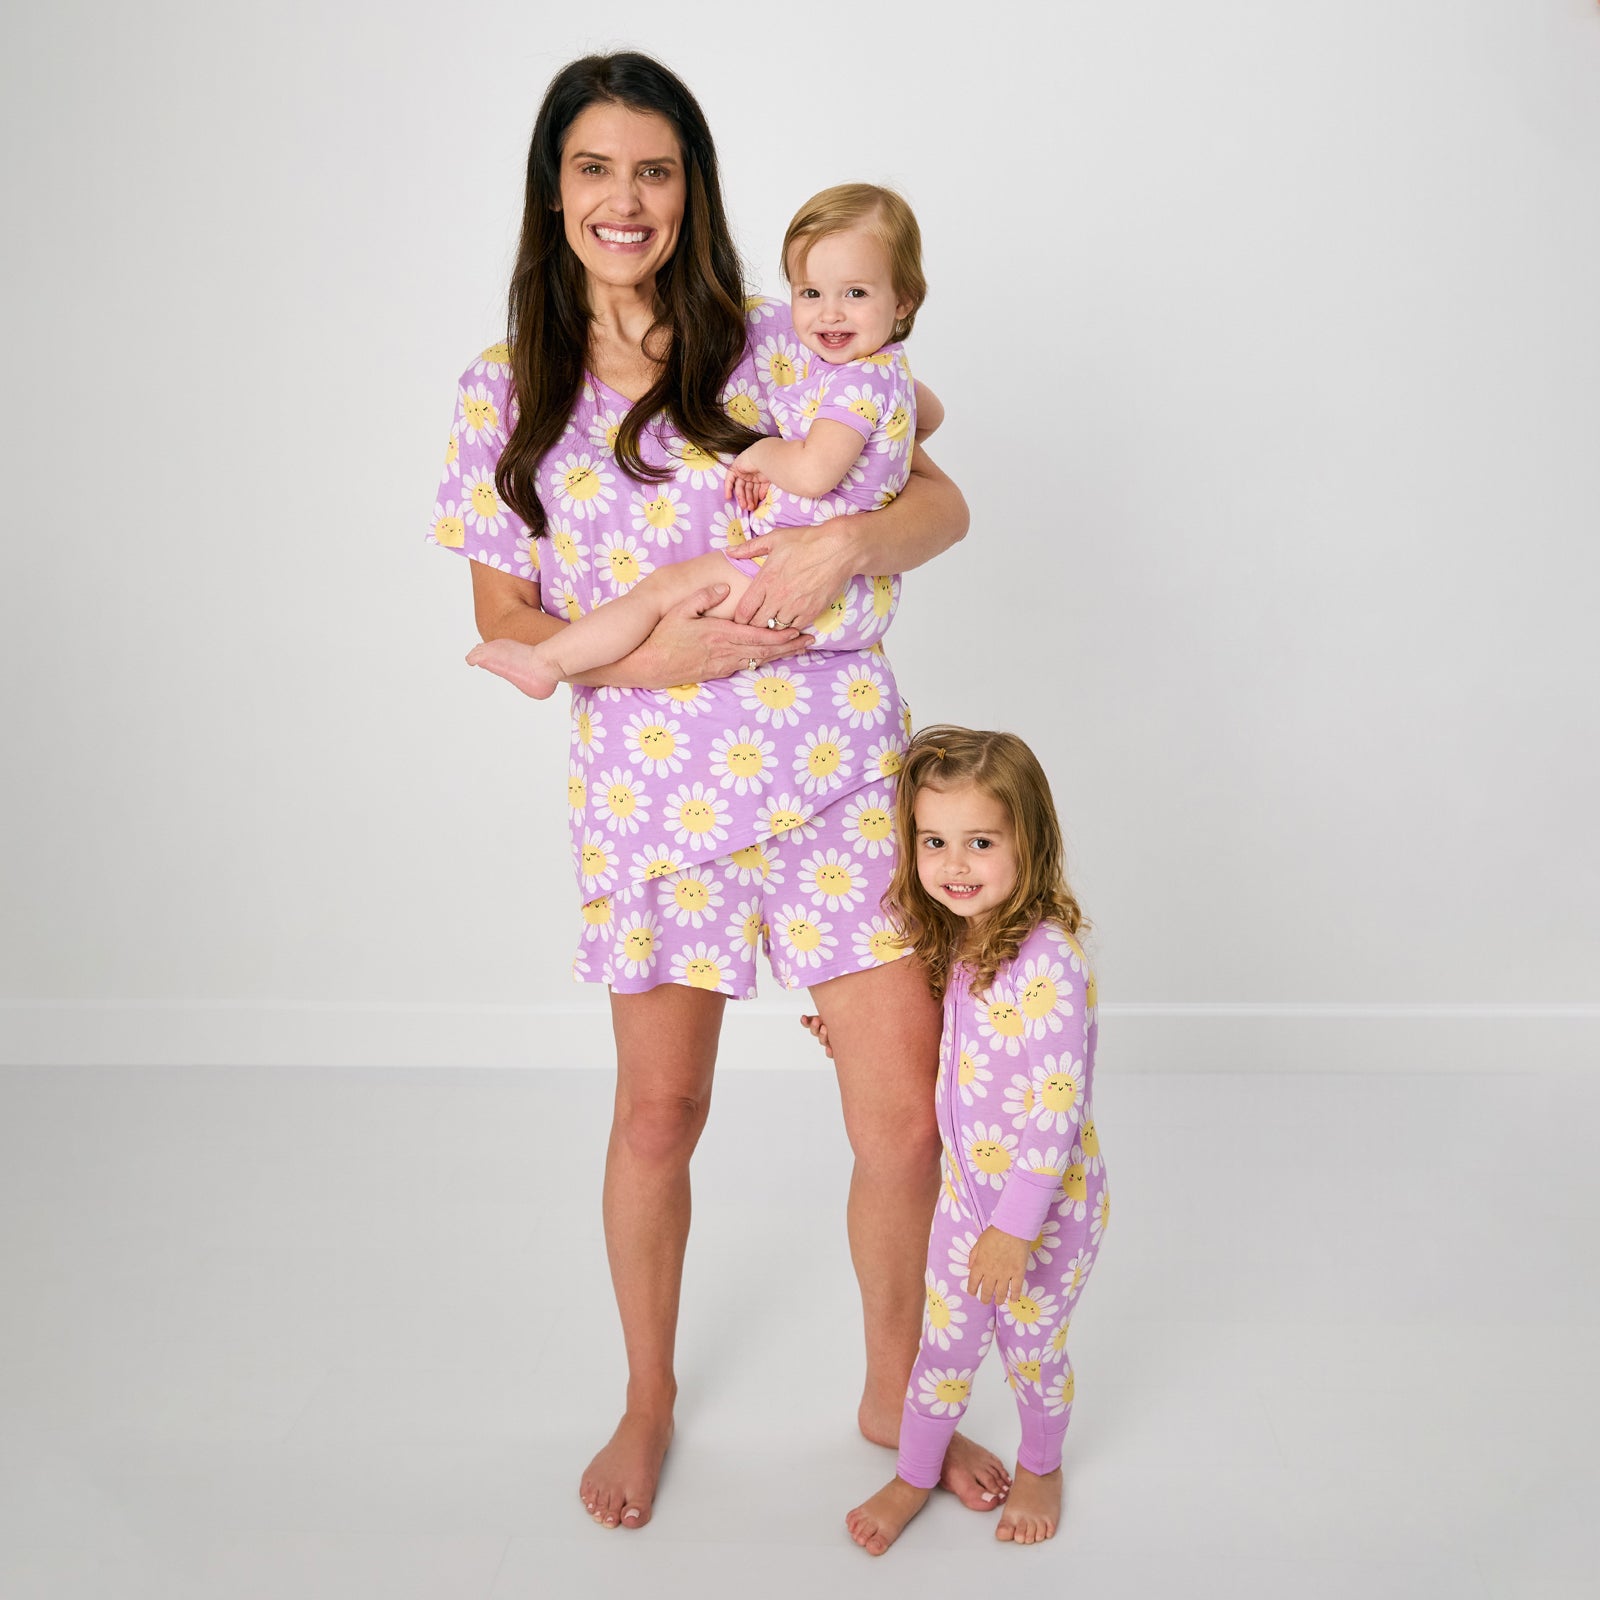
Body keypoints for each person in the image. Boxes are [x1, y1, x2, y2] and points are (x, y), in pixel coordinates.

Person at [426, 53, 1009, 1531]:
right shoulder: (502, 391)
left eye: (658, 170)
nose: (628, 202)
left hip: (832, 778)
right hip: (653, 803)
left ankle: (898, 1392)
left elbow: (939, 498)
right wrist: (658, 665)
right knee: (658, 1114)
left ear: (693, 189)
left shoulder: (790, 337)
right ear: (553, 190)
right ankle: (647, 1395)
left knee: (902, 1120)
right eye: (597, 170)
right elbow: (507, 624)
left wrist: (843, 551)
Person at [805, 727, 1109, 1553]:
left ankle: (1042, 1464)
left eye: (980, 842)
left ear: (1029, 842)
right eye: (934, 843)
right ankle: (913, 1474)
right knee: (942, 1349)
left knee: (1030, 1349)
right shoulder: (964, 943)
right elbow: (958, 1048)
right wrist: (853, 1039)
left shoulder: (1049, 962)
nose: (956, 864)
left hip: (1040, 1211)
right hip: (968, 1200)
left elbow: (1053, 1115)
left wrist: (1015, 1228)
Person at [463, 182, 942, 701]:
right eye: (810, 293)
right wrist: (649, 665)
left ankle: (548, 661)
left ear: (904, 300)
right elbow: (926, 416)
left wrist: (763, 458)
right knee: (661, 598)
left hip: (789, 596)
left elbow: (820, 475)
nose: (829, 314)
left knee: (661, 592)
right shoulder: (880, 371)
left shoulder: (823, 362)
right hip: (647, 760)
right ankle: (546, 659)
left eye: (855, 293)